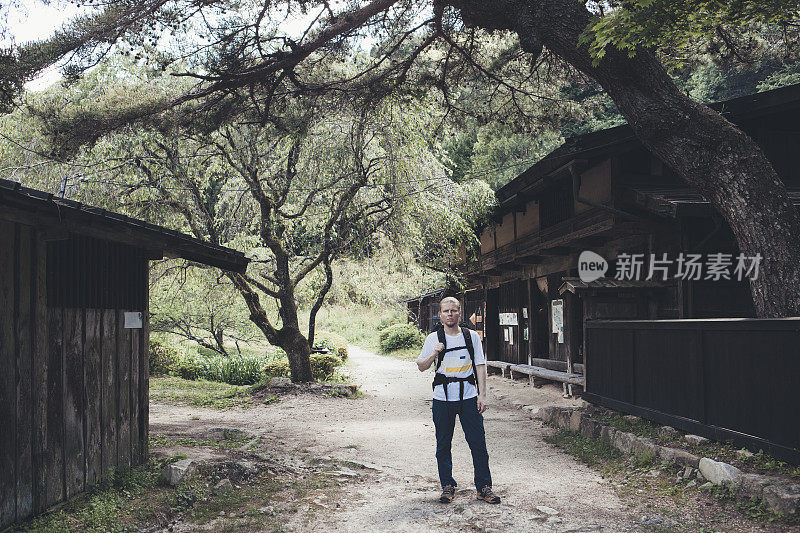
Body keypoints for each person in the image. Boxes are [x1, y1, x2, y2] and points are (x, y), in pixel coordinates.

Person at [416, 296, 500, 504]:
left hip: (469, 396)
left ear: (459, 312)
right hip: (442, 397)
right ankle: (447, 485)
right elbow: (421, 365)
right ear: (440, 314)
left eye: (453, 311)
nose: (450, 314)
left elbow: (480, 365)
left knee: (478, 442)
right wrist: (434, 353)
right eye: (446, 311)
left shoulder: (471, 337)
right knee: (443, 443)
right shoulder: (433, 338)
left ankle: (483, 486)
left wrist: (482, 395)